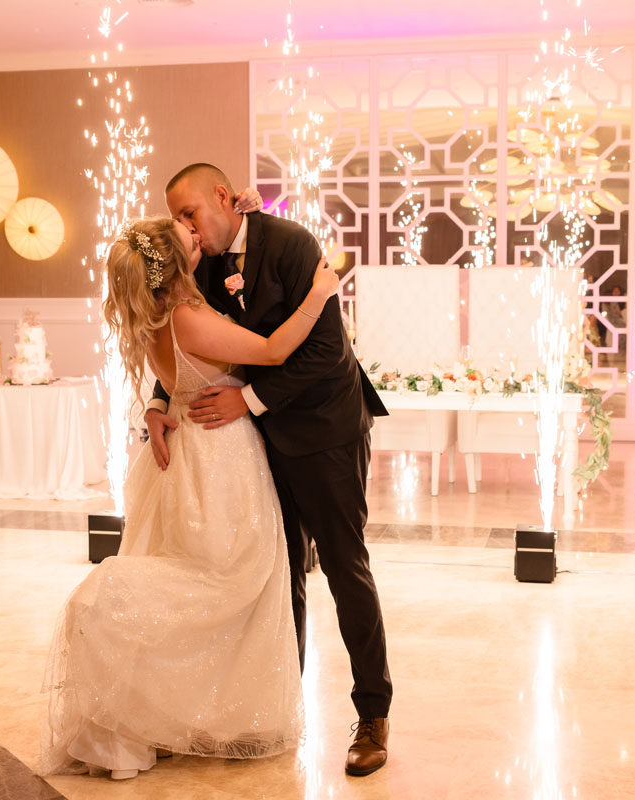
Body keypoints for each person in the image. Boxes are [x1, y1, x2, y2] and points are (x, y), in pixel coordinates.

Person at [41, 216, 339, 779]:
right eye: (186, 235)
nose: (195, 232)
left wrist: (157, 406)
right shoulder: (187, 318)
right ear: (175, 264)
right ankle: (123, 627)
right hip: (219, 458)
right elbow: (273, 350)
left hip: (190, 452)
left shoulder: (162, 316)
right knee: (226, 580)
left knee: (216, 576)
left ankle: (168, 715)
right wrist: (320, 293)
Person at [150, 163, 393, 777]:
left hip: (325, 430)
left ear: (222, 197)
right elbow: (189, 340)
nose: (186, 228)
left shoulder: (291, 243)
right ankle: (276, 709)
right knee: (276, 574)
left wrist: (249, 401)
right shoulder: (200, 265)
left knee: (344, 567)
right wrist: (157, 401)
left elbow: (326, 351)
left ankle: (373, 713)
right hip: (256, 445)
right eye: (176, 218)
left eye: (189, 213)